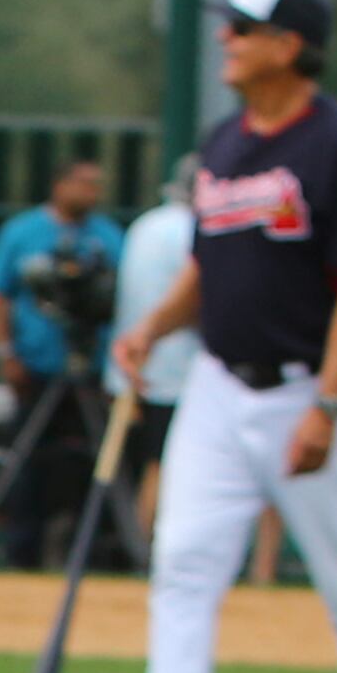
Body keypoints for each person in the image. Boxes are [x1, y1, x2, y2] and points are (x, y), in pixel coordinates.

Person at [85, 0, 337, 673]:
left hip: (307, 389)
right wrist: (152, 328)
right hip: (218, 389)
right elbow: (210, 261)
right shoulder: (227, 144)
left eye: (242, 26)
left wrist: (330, 404)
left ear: (289, 45)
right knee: (185, 564)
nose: (224, 38)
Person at [0, 152, 122, 566]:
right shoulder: (22, 233)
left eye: (98, 184)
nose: (92, 193)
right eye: (84, 183)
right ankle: (21, 552)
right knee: (28, 462)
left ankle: (94, 553)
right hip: (37, 366)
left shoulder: (107, 236)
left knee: (92, 464)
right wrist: (6, 352)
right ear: (60, 185)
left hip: (91, 369)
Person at [110, 160, 202, 536]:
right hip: (179, 368)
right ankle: (148, 549)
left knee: (141, 461)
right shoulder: (194, 230)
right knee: (162, 463)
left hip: (131, 363)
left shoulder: (145, 224)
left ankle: (137, 547)